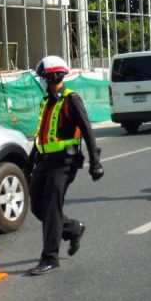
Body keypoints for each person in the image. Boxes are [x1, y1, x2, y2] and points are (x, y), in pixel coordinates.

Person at [25, 55, 104, 275]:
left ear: (54, 77)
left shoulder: (71, 99)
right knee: (37, 207)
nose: (40, 81)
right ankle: (72, 228)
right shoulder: (46, 100)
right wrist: (29, 162)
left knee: (51, 207)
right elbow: (42, 136)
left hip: (64, 163)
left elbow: (88, 131)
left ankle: (50, 258)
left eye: (43, 77)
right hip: (44, 162)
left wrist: (95, 162)